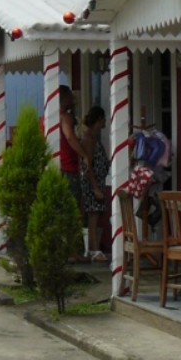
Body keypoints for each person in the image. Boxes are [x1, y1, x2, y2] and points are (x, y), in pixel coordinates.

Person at [80, 106, 110, 261]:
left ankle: (93, 248)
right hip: (93, 183)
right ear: (98, 120)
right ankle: (93, 249)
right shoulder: (89, 139)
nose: (105, 122)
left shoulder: (95, 138)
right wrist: (95, 187)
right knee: (93, 214)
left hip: (99, 181)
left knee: (96, 213)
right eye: (103, 119)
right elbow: (88, 164)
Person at [57, 85, 89, 211]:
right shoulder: (65, 117)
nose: (72, 100)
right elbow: (69, 136)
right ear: (64, 99)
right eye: (70, 97)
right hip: (68, 167)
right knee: (72, 209)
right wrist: (84, 155)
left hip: (56, 167)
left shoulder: (48, 118)